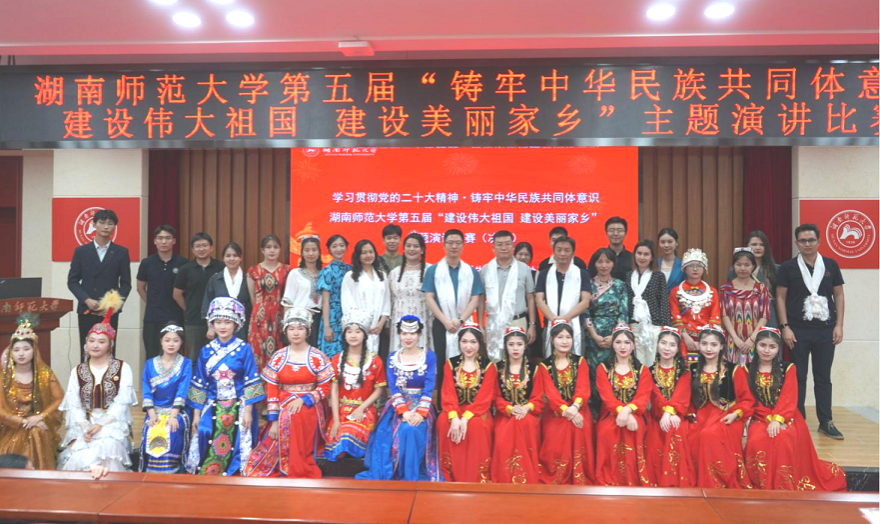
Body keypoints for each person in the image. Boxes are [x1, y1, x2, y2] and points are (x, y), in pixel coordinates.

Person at [744, 327, 846, 491]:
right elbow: (750, 399)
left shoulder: (788, 368)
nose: (767, 350)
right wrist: (769, 419)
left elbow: (789, 397)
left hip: (787, 415)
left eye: (772, 346)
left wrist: (778, 419)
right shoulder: (747, 370)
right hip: (760, 416)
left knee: (783, 438)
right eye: (763, 345)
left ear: (778, 348)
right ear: (756, 346)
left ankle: (783, 484)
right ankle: (763, 483)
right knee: (757, 440)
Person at [245, 308, 333, 478]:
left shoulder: (318, 357)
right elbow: (272, 389)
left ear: (307, 331)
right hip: (282, 402)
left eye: (300, 328)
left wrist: (304, 400)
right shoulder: (278, 357)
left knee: (296, 415)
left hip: (310, 405)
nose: (296, 333)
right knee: (284, 419)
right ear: (286, 331)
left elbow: (324, 387)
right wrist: (274, 421)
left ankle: (296, 462)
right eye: (291, 329)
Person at [777, 223, 846, 440]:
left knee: (823, 377)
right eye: (803, 241)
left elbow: (839, 295)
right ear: (796, 243)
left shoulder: (830, 265)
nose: (807, 244)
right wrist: (785, 327)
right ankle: (798, 419)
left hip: (825, 330)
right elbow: (780, 297)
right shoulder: (788, 267)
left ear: (819, 241)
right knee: (798, 377)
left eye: (811, 240)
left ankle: (826, 421)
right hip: (797, 330)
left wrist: (839, 325)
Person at [58, 291, 137, 472]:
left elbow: (122, 402)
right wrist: (85, 426)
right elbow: (73, 403)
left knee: (108, 450)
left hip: (112, 424)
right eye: (91, 341)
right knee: (79, 456)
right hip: (84, 424)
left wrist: (101, 425)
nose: (95, 345)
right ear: (86, 344)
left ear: (110, 345)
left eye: (101, 341)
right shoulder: (78, 371)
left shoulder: (122, 368)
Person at [186, 297, 265, 476]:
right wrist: (196, 415)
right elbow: (199, 383)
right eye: (218, 322)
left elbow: (251, 380)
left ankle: (235, 470)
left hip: (239, 403)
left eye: (227, 322)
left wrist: (248, 411)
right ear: (212, 324)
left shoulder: (244, 348)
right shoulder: (206, 351)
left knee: (241, 433)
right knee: (204, 430)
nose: (222, 326)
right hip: (212, 402)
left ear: (235, 324)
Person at [356, 316, 440, 481]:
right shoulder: (393, 357)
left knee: (413, 429)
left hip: (422, 404)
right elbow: (393, 388)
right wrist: (404, 412)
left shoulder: (429, 356)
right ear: (399, 335)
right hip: (398, 404)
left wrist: (420, 413)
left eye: (412, 333)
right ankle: (400, 471)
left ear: (419, 334)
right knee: (402, 428)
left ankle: (412, 474)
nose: (408, 337)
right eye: (404, 333)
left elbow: (429, 387)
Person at [688, 324, 753, 489]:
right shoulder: (693, 369)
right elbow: (687, 399)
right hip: (701, 414)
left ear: (722, 346)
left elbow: (747, 399)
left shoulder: (734, 370)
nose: (708, 348)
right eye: (704, 344)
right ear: (699, 345)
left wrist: (736, 414)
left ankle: (716, 482)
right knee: (689, 435)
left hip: (727, 415)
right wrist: (689, 415)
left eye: (713, 344)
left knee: (708, 435)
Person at [422, 229, 483, 397]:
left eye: (457, 243)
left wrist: (460, 320)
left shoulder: (471, 271)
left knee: (468, 361)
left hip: (465, 325)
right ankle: (445, 403)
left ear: (463, 245)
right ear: (444, 245)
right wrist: (446, 321)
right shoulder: (433, 271)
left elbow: (475, 299)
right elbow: (429, 298)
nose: (454, 246)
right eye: (450, 243)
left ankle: (467, 399)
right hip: (441, 324)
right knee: (442, 364)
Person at [535, 320, 595, 485]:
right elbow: (551, 393)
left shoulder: (580, 362)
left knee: (580, 427)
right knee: (559, 431)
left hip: (579, 408)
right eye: (560, 337)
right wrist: (566, 411)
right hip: (556, 412)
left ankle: (580, 475)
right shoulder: (544, 366)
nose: (564, 341)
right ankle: (557, 475)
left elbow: (583, 388)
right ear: (552, 339)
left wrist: (574, 407)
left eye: (568, 337)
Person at [67, 209, 132, 360]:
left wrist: (114, 306)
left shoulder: (121, 252)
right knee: (87, 351)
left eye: (110, 223)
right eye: (102, 223)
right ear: (94, 224)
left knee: (109, 351)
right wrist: (86, 299)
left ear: (115, 226)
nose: (106, 226)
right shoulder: (81, 251)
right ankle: (86, 376)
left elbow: (126, 284)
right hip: (87, 309)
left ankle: (109, 376)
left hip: (109, 312)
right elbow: (72, 281)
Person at [437, 322, 497, 483]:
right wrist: (454, 417)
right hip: (454, 409)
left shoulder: (488, 366)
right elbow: (448, 392)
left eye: (473, 342)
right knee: (443, 422)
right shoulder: (450, 364)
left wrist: (465, 418)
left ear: (480, 343)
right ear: (459, 342)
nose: (468, 346)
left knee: (477, 426)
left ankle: (475, 476)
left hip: (478, 411)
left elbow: (484, 397)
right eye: (464, 341)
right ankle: (449, 475)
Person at [0, 318, 64, 470]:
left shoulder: (45, 373)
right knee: (30, 432)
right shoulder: (4, 376)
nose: (21, 354)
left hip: (37, 421)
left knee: (36, 432)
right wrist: (21, 421)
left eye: (26, 349)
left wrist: (40, 417)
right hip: (11, 425)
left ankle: (38, 476)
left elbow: (59, 399)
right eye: (16, 350)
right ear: (11, 353)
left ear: (34, 350)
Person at [594, 325, 654, 487]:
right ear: (612, 344)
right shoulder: (603, 368)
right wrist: (621, 411)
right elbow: (606, 396)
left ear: (633, 345)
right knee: (606, 431)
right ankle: (610, 478)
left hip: (636, 413)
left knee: (635, 429)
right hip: (610, 413)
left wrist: (628, 411)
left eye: (627, 342)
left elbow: (643, 396)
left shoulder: (642, 370)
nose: (623, 346)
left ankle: (632, 479)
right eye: (618, 342)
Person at [324, 309, 386, 462]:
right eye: (349, 331)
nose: (353, 335)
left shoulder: (375, 361)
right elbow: (334, 391)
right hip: (341, 411)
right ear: (344, 335)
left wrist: (361, 408)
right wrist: (336, 419)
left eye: (358, 331)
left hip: (365, 410)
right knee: (339, 437)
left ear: (364, 335)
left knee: (348, 435)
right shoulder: (337, 359)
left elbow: (379, 389)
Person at [491, 326, 543, 484]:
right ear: (505, 346)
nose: (515, 348)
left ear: (525, 346)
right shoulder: (497, 368)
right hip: (504, 415)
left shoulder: (534, 369)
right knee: (507, 430)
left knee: (522, 423)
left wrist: (526, 408)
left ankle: (525, 476)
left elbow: (538, 398)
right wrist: (509, 409)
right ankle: (505, 476)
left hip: (528, 414)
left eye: (519, 344)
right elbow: (494, 396)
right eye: (511, 344)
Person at [139, 323, 192, 474]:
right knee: (151, 428)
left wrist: (173, 416)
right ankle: (151, 471)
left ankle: (172, 470)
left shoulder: (186, 363)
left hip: (177, 410)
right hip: (155, 410)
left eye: (176, 340)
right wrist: (152, 415)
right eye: (167, 340)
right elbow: (146, 390)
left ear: (181, 342)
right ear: (161, 341)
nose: (171, 344)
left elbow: (182, 390)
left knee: (172, 429)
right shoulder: (150, 364)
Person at [646, 326, 694, 487]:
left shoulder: (684, 371)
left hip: (679, 415)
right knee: (654, 439)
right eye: (663, 343)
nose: (667, 348)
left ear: (678, 348)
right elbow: (655, 396)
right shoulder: (649, 371)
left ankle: (675, 480)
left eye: (672, 345)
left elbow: (682, 395)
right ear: (657, 344)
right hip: (656, 416)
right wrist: (666, 413)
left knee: (675, 429)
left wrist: (670, 413)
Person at [479, 230, 537, 362]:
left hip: (518, 321)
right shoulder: (485, 270)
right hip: (493, 322)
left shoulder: (524, 269)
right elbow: (481, 299)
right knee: (495, 361)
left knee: (517, 360)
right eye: (499, 244)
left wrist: (532, 324)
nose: (503, 248)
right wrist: (481, 325)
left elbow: (530, 297)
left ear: (513, 246)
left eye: (507, 244)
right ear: (493, 248)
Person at [137, 225, 187, 361]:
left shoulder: (183, 263)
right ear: (155, 241)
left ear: (174, 241)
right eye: (160, 238)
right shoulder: (147, 263)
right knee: (152, 355)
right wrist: (152, 303)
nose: (164, 241)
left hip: (175, 316)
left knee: (175, 355)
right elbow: (140, 288)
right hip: (152, 317)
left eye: (167, 238)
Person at [535, 236, 591, 357]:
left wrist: (565, 318)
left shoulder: (582, 274)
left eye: (566, 250)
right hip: (550, 322)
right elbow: (539, 300)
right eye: (559, 250)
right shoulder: (545, 274)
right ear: (553, 252)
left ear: (573, 253)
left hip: (574, 323)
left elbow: (585, 301)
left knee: (575, 360)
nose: (562, 254)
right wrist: (554, 320)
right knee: (550, 360)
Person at [174, 233, 225, 361]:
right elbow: (177, 294)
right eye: (197, 246)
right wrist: (188, 308)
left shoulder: (221, 267)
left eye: (204, 245)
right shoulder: (185, 269)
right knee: (194, 357)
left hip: (219, 320)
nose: (201, 249)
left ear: (211, 248)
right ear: (192, 249)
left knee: (218, 357)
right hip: (193, 320)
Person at [247, 234, 291, 371]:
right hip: (259, 318)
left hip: (280, 316)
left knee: (279, 349)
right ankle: (259, 382)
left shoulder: (287, 270)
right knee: (257, 350)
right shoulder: (253, 270)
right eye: (268, 247)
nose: (272, 250)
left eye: (275, 247)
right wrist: (260, 311)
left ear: (280, 249)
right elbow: (252, 297)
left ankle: (275, 381)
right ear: (262, 250)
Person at [720, 248, 771, 366]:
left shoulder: (761, 288)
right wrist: (735, 338)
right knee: (732, 372)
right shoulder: (726, 288)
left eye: (747, 265)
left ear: (753, 266)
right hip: (732, 339)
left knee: (753, 371)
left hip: (755, 339)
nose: (742, 268)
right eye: (739, 264)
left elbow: (764, 316)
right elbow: (724, 315)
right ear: (733, 266)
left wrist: (752, 339)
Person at [670, 248, 721, 363]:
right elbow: (675, 316)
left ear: (704, 268)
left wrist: (705, 340)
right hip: (683, 337)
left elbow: (715, 317)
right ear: (684, 268)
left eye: (699, 265)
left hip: (707, 338)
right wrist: (686, 337)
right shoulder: (676, 291)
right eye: (691, 265)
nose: (695, 269)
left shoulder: (712, 292)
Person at [341, 239, 390, 357]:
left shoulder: (382, 275)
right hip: (358, 328)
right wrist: (360, 326)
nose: (368, 255)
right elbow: (347, 303)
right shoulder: (351, 276)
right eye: (364, 252)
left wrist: (380, 324)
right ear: (358, 255)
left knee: (375, 359)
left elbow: (386, 301)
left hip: (377, 328)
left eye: (371, 252)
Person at [626, 240, 671, 367]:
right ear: (634, 255)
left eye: (646, 254)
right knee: (638, 364)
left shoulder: (658, 276)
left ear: (652, 257)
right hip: (634, 325)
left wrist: (666, 328)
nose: (642, 257)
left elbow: (663, 302)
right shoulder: (629, 276)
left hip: (653, 325)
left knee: (652, 363)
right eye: (639, 253)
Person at [584, 248, 630, 372]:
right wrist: (594, 335)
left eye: (608, 262)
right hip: (593, 334)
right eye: (600, 262)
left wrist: (614, 336)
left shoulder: (620, 285)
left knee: (613, 370)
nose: (604, 265)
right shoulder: (588, 285)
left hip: (615, 334)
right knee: (594, 371)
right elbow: (585, 312)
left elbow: (624, 312)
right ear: (594, 264)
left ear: (613, 264)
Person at [388, 232, 432, 354]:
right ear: (403, 249)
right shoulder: (394, 273)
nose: (411, 249)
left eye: (416, 246)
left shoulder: (430, 270)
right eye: (408, 246)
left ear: (422, 250)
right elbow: (390, 301)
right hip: (399, 320)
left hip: (423, 319)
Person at [727, 231, 779, 327]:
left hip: (769, 314)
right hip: (742, 313)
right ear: (746, 246)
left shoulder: (775, 269)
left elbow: (779, 297)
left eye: (762, 245)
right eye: (754, 244)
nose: (758, 248)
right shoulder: (733, 270)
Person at [202, 242, 252, 341]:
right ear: (223, 258)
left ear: (241, 258)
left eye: (235, 255)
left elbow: (253, 303)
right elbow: (207, 304)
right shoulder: (215, 279)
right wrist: (210, 328)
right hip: (220, 327)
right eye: (228, 256)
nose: (232, 259)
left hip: (243, 327)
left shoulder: (248, 279)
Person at [282, 236, 323, 345]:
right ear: (302, 253)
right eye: (307, 250)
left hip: (319, 320)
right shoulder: (295, 273)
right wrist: (287, 325)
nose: (311, 253)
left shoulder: (324, 274)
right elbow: (288, 302)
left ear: (319, 252)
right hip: (300, 320)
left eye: (314, 250)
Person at [317, 235, 351, 359]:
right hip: (332, 316)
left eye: (342, 245)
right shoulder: (327, 271)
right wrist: (327, 326)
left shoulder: (351, 270)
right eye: (334, 246)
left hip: (348, 314)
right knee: (332, 353)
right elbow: (325, 301)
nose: (339, 249)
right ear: (329, 249)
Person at [515, 241, 544, 361]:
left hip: (531, 316)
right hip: (515, 316)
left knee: (533, 351)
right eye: (520, 254)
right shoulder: (510, 274)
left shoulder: (536, 274)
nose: (523, 257)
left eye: (527, 255)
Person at [657, 228, 685, 292]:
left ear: (676, 243)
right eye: (662, 242)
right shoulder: (653, 264)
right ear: (658, 244)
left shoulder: (683, 266)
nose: (666, 245)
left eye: (670, 242)